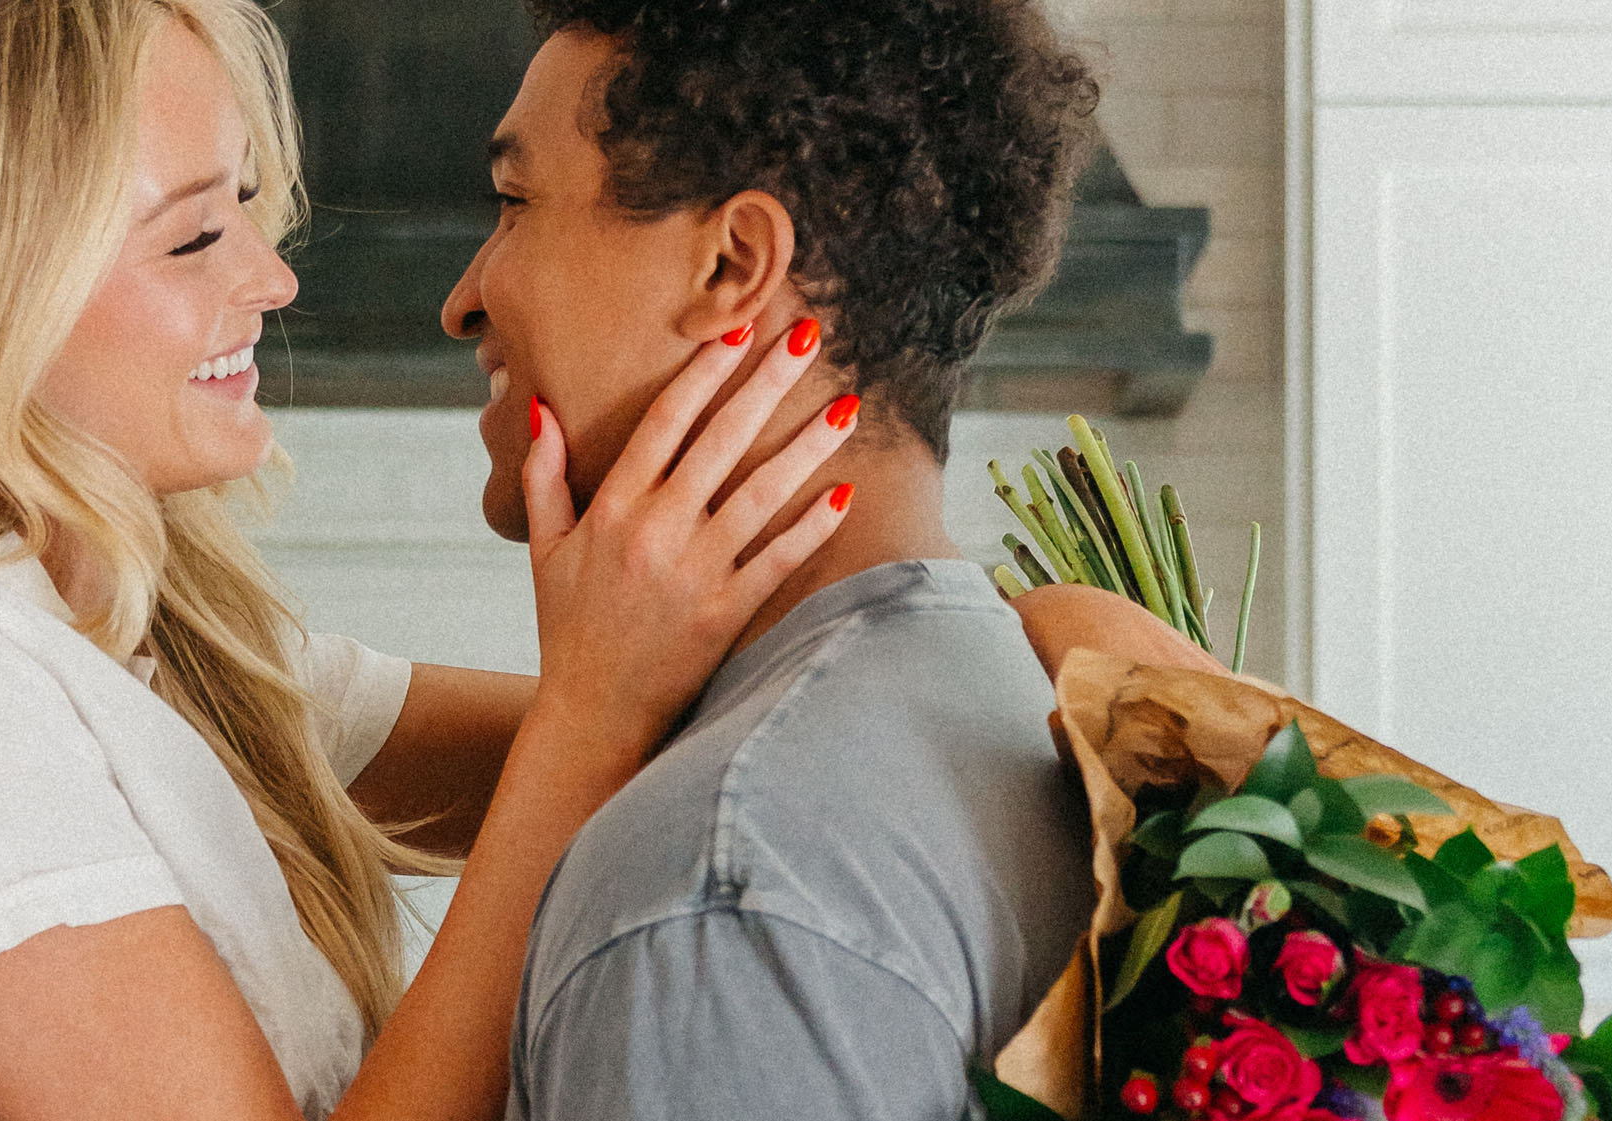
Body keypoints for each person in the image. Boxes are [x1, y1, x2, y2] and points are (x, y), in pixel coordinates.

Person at [0, 1, 861, 1118]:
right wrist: (592, 707)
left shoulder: (125, 644)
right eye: (190, 236)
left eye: (245, 206)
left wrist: (1029, 643)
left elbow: (665, 747)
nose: (270, 278)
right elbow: (582, 746)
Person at [436, 0, 1220, 1117]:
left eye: (515, 203)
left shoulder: (717, 882)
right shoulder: (1011, 702)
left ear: (733, 264)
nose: (462, 297)